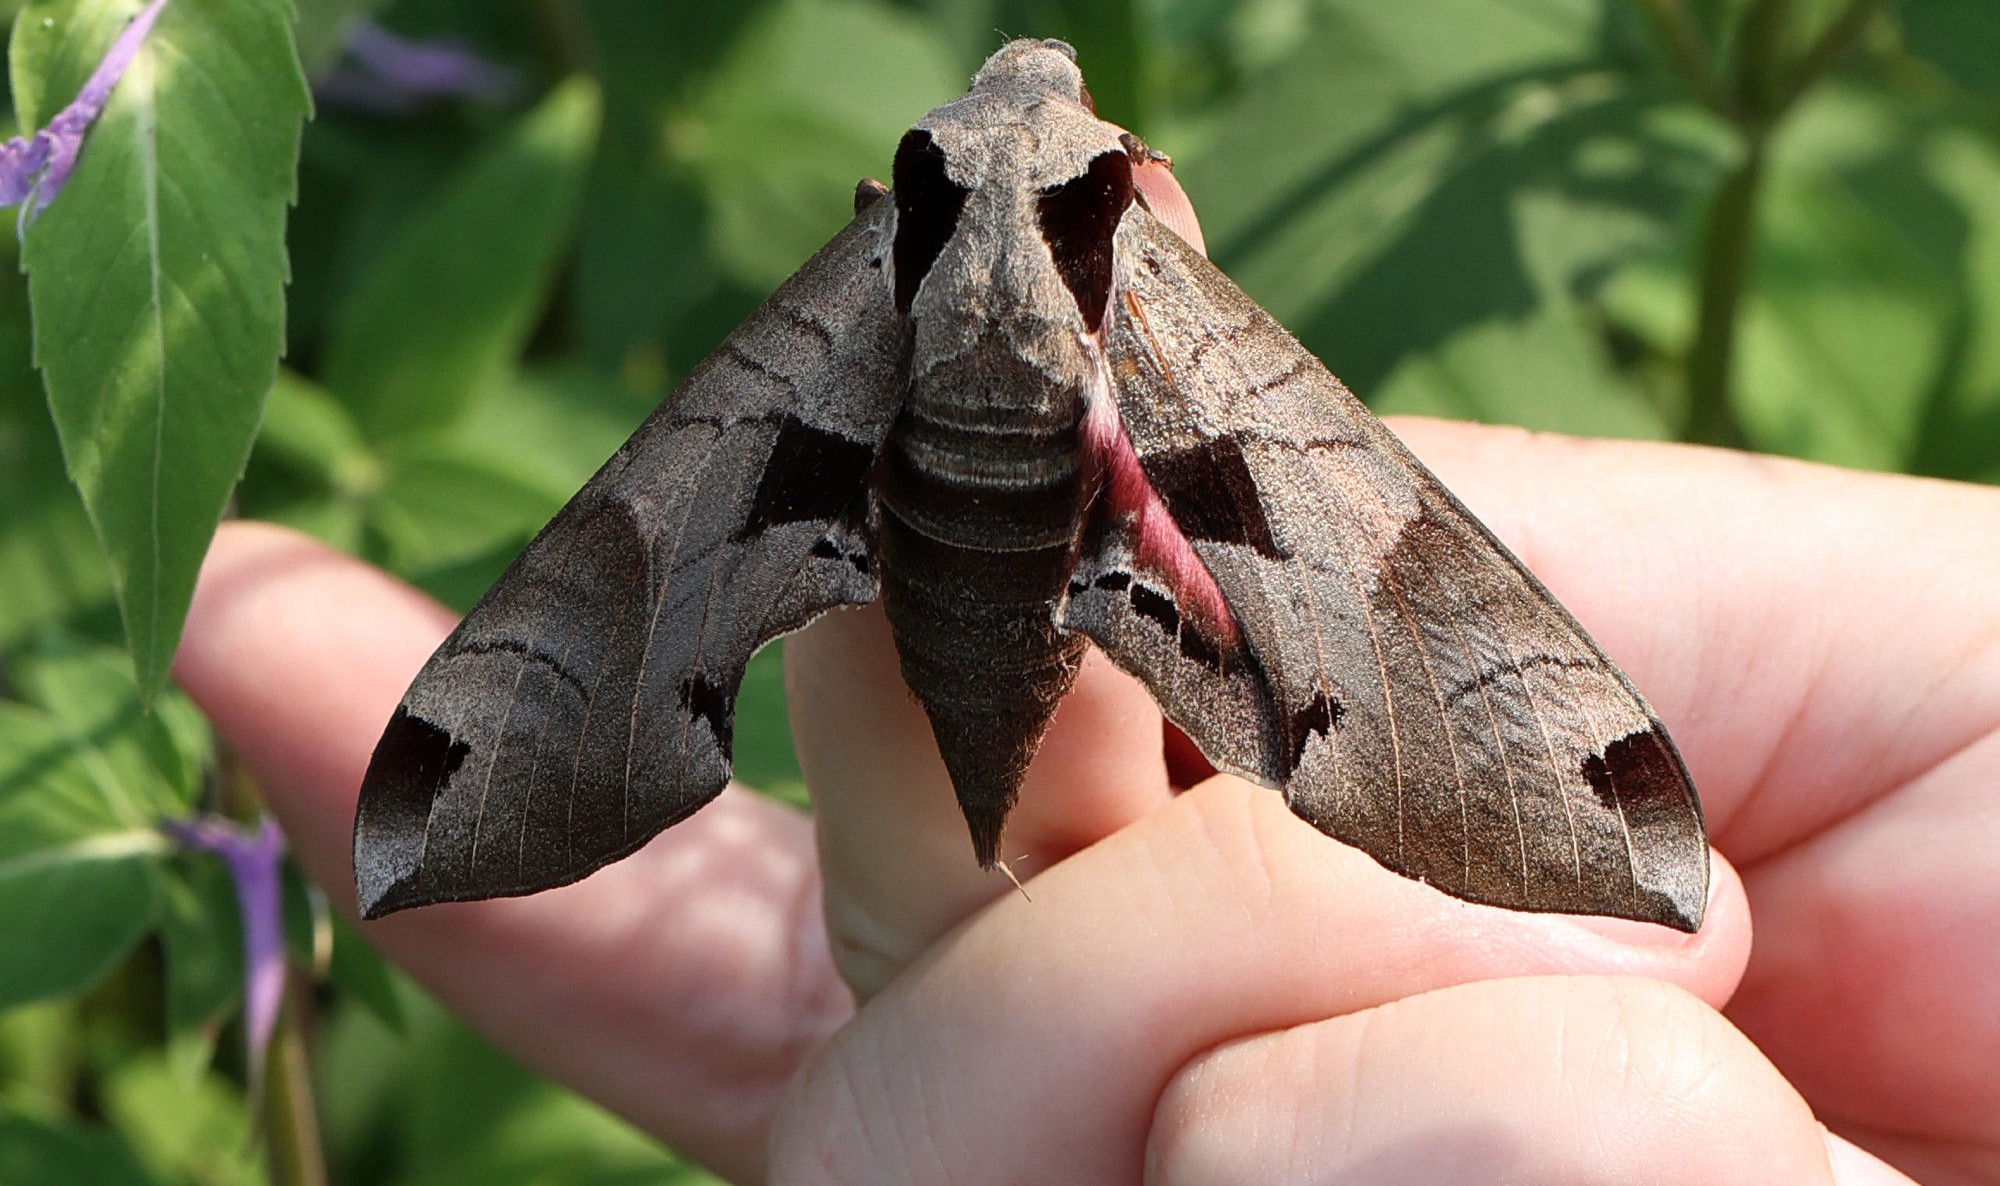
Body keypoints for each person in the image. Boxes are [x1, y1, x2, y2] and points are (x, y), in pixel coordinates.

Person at [173, 161, 1993, 1183]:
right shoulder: (1166, 316)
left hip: (935, 622)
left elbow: (626, 566)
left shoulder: (856, 285)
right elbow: (1393, 567)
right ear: (1135, 204)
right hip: (1092, 596)